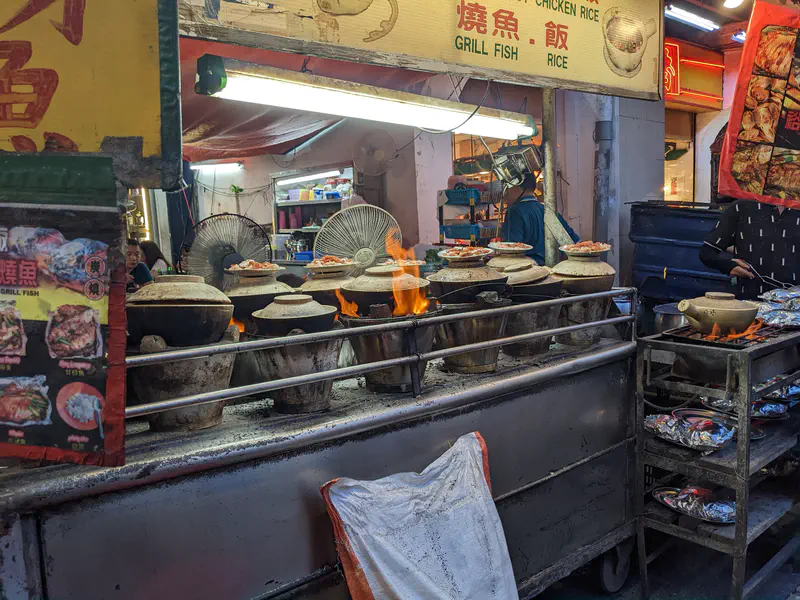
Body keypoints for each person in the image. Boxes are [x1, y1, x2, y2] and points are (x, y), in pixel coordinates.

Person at [699, 200, 800, 300]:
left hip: (796, 307)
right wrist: (728, 265)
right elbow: (707, 253)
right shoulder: (742, 207)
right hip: (750, 304)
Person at [500, 174, 579, 264]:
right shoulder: (548, 210)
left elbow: (511, 251)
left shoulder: (514, 213)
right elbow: (573, 244)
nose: (505, 195)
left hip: (528, 273)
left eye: (507, 188)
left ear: (516, 187)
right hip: (554, 271)